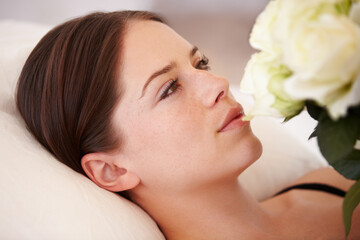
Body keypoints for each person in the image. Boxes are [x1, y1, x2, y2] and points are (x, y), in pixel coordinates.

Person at [16, 11, 360, 239]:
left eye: (201, 63)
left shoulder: (333, 181)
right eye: (169, 89)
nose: (219, 83)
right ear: (110, 170)